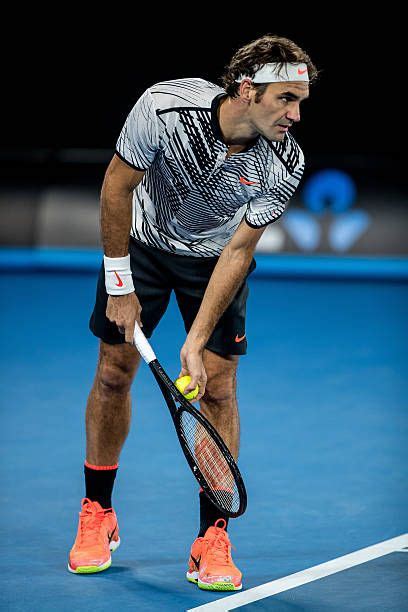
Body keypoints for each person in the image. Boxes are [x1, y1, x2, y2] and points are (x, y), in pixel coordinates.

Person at [68, 34, 317, 590]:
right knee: (113, 372)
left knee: (221, 388)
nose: (295, 115)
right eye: (285, 99)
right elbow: (116, 185)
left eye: (301, 101)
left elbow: (239, 250)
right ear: (247, 89)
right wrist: (119, 279)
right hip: (144, 248)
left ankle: (213, 536)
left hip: (215, 261)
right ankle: (96, 512)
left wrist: (196, 339)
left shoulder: (286, 159)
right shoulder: (164, 107)